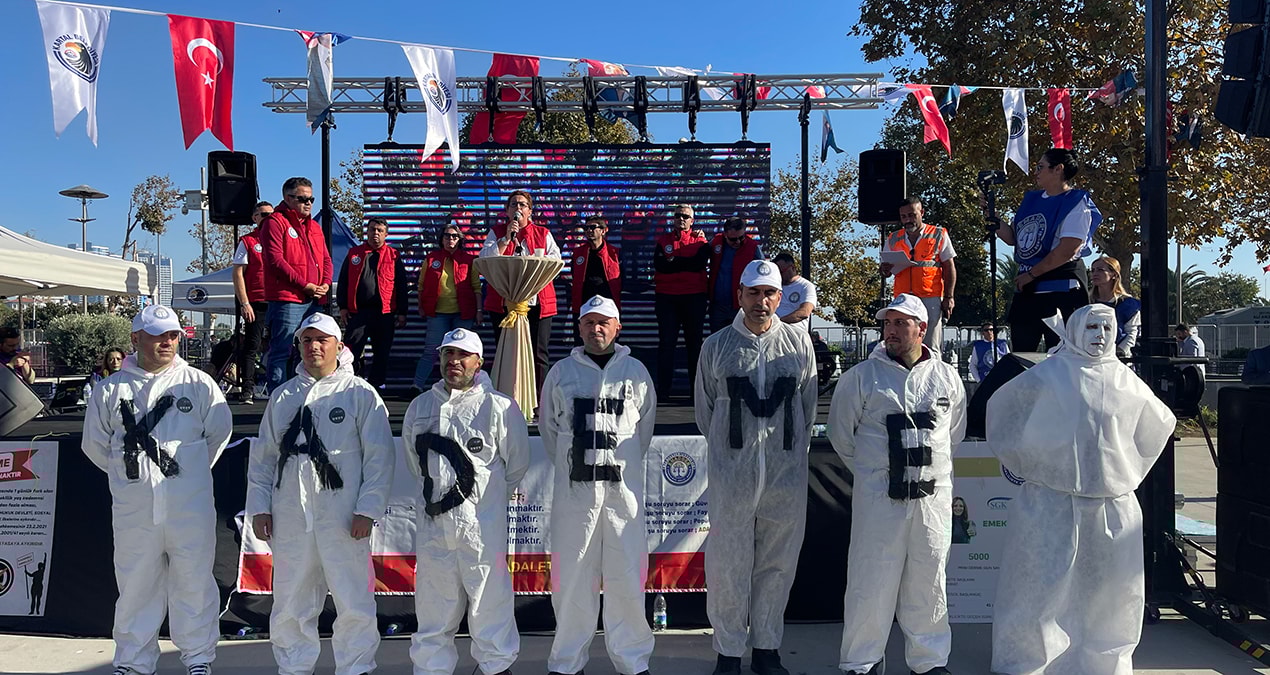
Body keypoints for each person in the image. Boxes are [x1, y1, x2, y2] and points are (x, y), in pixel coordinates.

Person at [987, 304, 1175, 675]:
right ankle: (1029, 661)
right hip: (1050, 504)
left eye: (1107, 327)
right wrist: (1033, 465)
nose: (1100, 335)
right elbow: (1003, 412)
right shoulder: (1047, 376)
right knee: (1040, 591)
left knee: (1111, 596)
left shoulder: (1127, 382)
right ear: (1073, 329)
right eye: (1091, 326)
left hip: (1110, 506)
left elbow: (1158, 425)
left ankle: (1104, 663)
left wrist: (1125, 471)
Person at [81, 304, 232, 675]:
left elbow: (218, 435)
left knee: (194, 580)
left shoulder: (198, 384)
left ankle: (198, 658)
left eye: (173, 335)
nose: (167, 342)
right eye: (158, 335)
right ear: (136, 339)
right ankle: (133, 662)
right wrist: (131, 478)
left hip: (189, 505)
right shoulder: (110, 389)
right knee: (135, 584)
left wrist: (186, 475)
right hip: (135, 507)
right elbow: (96, 445)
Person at [247, 313, 395, 675]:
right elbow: (264, 456)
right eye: (306, 340)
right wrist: (260, 507)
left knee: (353, 598)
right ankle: (294, 667)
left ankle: (355, 667)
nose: (313, 347)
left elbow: (380, 458)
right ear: (297, 345)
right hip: (291, 515)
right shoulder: (284, 395)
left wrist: (368, 508)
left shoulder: (359, 393)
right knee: (292, 598)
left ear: (339, 346)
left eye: (322, 340)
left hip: (343, 516)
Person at [828, 293, 965, 675]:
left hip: (931, 500)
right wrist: (876, 474)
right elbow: (842, 436)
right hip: (880, 499)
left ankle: (929, 661)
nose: (891, 330)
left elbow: (951, 436)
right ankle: (861, 662)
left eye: (901, 323)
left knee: (930, 578)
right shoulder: (860, 378)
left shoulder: (946, 377)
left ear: (922, 328)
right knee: (871, 578)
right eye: (887, 323)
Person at [695, 260, 817, 675]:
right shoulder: (716, 347)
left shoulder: (800, 346)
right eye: (753, 293)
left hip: (784, 476)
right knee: (728, 565)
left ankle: (767, 649)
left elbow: (807, 407)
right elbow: (705, 411)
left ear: (780, 299)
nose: (761, 302)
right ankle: (728, 652)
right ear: (740, 295)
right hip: (733, 477)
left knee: (777, 564)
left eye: (769, 294)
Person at [541, 296, 657, 675]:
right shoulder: (560, 372)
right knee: (572, 580)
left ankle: (633, 662)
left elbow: (642, 435)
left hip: (622, 499)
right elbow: (550, 431)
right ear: (579, 328)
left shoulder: (637, 372)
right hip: (575, 498)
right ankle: (567, 663)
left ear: (617, 327)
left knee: (626, 579)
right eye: (589, 322)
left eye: (603, 322)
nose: (596, 329)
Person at [404, 327, 528, 675]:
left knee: (490, 605)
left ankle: (497, 668)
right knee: (432, 611)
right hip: (434, 530)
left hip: (481, 529)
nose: (453, 362)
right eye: (447, 354)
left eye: (462, 355)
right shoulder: (420, 407)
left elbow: (515, 466)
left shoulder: (499, 407)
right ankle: (431, 670)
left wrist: (479, 507)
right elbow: (416, 465)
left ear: (479, 361)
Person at [992, 148, 1103, 352]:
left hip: (1061, 290)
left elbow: (1068, 248)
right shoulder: (1031, 200)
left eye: (1041, 167)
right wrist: (992, 215)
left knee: (1064, 355)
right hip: (1028, 291)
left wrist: (1032, 274)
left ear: (1058, 169)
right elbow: (1013, 239)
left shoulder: (1076, 203)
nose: (1036, 171)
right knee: (1022, 356)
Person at [480, 190, 563, 393]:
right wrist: (506, 239)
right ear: (507, 211)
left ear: (530, 211)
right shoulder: (497, 232)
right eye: (514, 205)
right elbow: (485, 259)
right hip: (505, 302)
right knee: (505, 350)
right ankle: (506, 394)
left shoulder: (543, 233)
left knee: (538, 353)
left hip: (537, 303)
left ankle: (539, 401)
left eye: (523, 205)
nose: (518, 208)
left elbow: (557, 261)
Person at [262, 177, 332, 393]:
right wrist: (306, 285)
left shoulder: (314, 227)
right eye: (303, 199)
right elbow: (276, 261)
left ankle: (305, 396)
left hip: (314, 299)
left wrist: (325, 284)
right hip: (288, 299)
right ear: (287, 198)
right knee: (282, 351)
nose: (309, 203)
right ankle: (279, 401)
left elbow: (326, 260)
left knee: (310, 350)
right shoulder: (275, 222)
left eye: (311, 199)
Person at [337, 217, 409, 390]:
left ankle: (377, 386)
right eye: (372, 229)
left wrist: (402, 312)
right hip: (358, 312)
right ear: (367, 231)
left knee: (381, 352)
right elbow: (343, 281)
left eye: (379, 230)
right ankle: (347, 384)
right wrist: (343, 307)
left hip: (384, 312)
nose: (375, 233)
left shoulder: (393, 255)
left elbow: (401, 284)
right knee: (350, 351)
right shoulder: (354, 253)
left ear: (386, 234)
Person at [881, 197, 956, 350]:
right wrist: (884, 270)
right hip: (903, 298)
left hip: (930, 297)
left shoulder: (938, 234)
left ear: (921, 213)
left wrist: (949, 297)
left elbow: (949, 267)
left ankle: (931, 373)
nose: (908, 220)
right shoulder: (893, 238)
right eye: (903, 217)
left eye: (912, 215)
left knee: (930, 344)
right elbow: (885, 270)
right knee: (904, 344)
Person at [413, 223, 482, 391]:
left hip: (463, 313)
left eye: (454, 236)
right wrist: (421, 306)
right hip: (437, 313)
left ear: (459, 239)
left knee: (462, 353)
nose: (450, 239)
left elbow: (476, 287)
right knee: (431, 350)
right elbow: (421, 285)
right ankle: (417, 385)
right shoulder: (431, 259)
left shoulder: (468, 260)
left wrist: (479, 311)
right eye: (447, 236)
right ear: (441, 239)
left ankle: (462, 387)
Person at [654, 204, 711, 400]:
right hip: (667, 297)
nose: (681, 219)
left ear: (692, 220)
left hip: (694, 296)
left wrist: (675, 262)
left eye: (685, 216)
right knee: (666, 344)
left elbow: (699, 264)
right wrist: (685, 263)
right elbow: (660, 266)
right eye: (678, 215)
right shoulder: (663, 240)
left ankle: (696, 392)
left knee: (694, 345)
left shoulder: (700, 240)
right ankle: (663, 392)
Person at [232, 200, 275, 402]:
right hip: (256, 301)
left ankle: (280, 387)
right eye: (263, 214)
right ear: (255, 218)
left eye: (271, 214)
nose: (268, 218)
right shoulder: (248, 241)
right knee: (252, 345)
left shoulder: (281, 238)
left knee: (282, 346)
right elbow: (238, 273)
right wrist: (244, 303)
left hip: (279, 300)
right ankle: (247, 389)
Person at [707, 216, 763, 332]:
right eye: (733, 239)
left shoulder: (753, 247)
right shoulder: (715, 242)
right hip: (718, 305)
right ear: (725, 234)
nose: (737, 242)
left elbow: (762, 272)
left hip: (741, 306)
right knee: (717, 342)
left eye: (741, 238)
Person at [569, 216, 622, 317]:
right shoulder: (578, 253)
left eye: (593, 227)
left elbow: (621, 278)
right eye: (586, 228)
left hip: (608, 304)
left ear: (603, 231)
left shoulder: (615, 254)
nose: (589, 230)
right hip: (584, 304)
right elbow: (574, 274)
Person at [1089, 255, 1141, 358]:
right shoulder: (1087, 303)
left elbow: (1132, 334)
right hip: (1089, 358)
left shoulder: (1129, 305)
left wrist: (1120, 352)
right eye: (1093, 270)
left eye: (1100, 270)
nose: (1095, 273)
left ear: (1114, 274)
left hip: (1118, 360)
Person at [773, 253, 817, 332]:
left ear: (792, 268)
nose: (779, 275)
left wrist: (778, 323)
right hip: (774, 332)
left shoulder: (806, 286)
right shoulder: (774, 287)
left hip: (795, 333)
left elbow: (804, 312)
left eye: (781, 272)